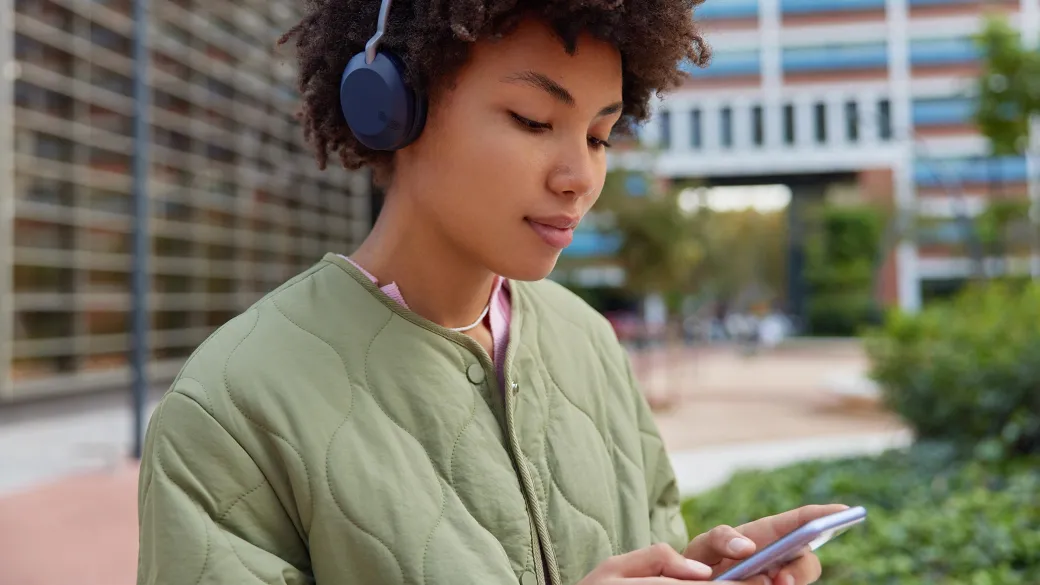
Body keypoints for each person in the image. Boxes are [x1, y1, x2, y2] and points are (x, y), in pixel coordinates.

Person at [136, 0, 846, 583]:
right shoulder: (231, 408)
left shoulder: (586, 341)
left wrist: (696, 569)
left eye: (600, 136)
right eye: (534, 121)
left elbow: (643, 537)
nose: (578, 177)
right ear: (390, 107)